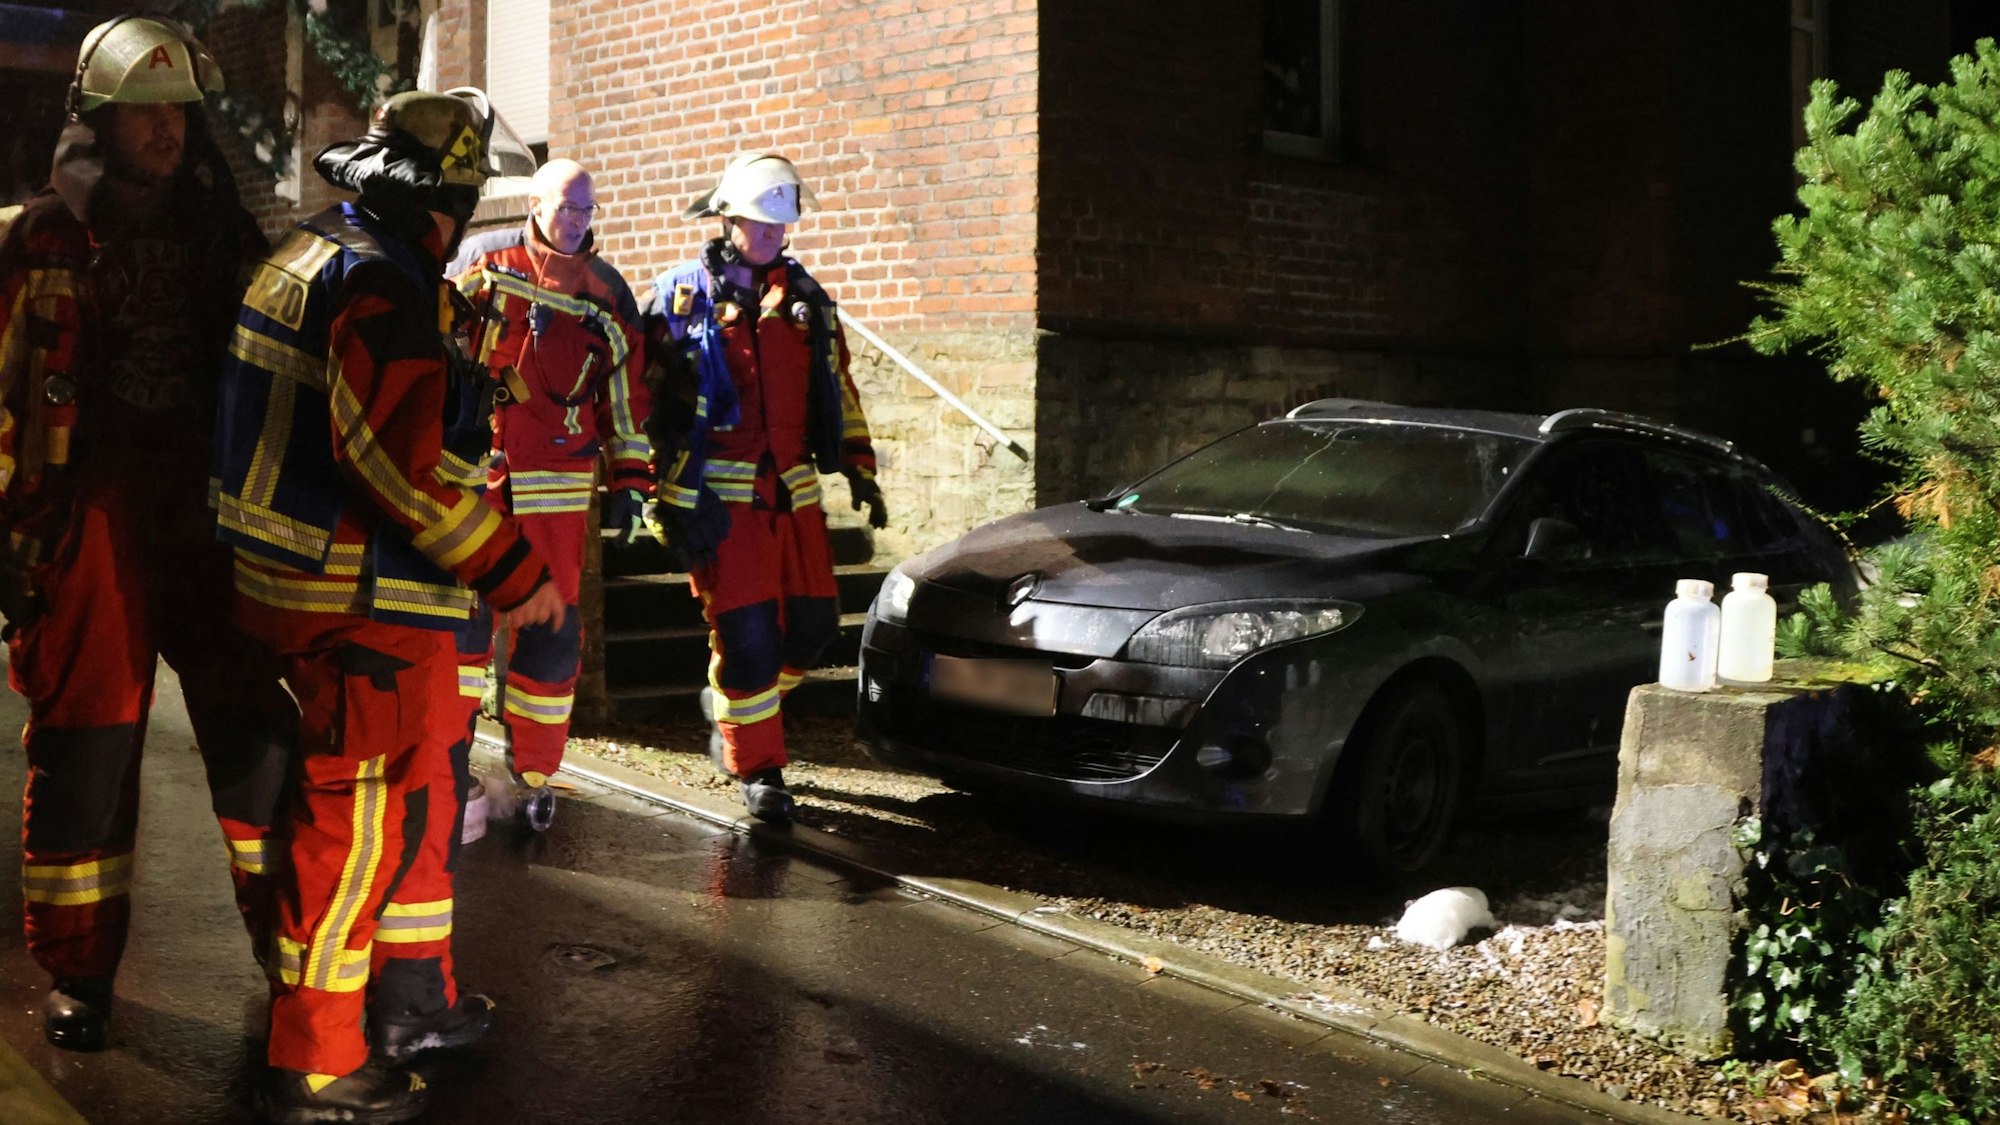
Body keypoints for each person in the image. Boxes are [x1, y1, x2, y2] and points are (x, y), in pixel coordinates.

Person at [211, 87, 563, 1123]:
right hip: (357, 603)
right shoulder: (380, 285)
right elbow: (397, 467)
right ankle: (317, 1064)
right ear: (440, 209)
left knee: (359, 817)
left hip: (287, 591)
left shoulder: (307, 256)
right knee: (354, 828)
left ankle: (395, 1010)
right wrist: (513, 572)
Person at [0, 15, 296, 1054]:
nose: (167, 130)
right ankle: (79, 968)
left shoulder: (226, 234)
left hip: (211, 513)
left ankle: (292, 950)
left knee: (255, 728)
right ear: (102, 116)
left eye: (179, 111)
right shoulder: (40, 237)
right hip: (92, 514)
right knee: (87, 743)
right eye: (146, 111)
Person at [642, 152, 886, 823]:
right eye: (762, 222)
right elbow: (644, 399)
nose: (776, 233)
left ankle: (728, 706)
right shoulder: (677, 296)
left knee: (810, 632)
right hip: (721, 504)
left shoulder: (806, 300)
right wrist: (653, 490)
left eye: (784, 223)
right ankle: (761, 768)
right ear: (728, 219)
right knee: (748, 639)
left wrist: (860, 462)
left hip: (795, 497)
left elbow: (836, 385)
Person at [446, 157, 650, 831]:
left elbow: (623, 397)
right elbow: (435, 347)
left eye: (586, 211)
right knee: (463, 628)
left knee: (550, 634)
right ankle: (445, 757)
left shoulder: (608, 294)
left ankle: (532, 773)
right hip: (480, 483)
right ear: (533, 205)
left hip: (558, 495)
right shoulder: (485, 261)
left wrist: (629, 481)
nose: (575, 222)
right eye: (564, 208)